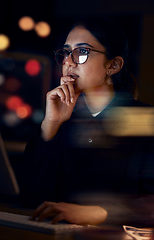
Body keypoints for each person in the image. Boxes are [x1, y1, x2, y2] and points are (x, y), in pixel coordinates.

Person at [22, 17, 154, 227]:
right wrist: (50, 125)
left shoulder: (144, 120)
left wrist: (99, 213)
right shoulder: (63, 120)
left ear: (113, 65)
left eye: (82, 52)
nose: (68, 61)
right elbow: (31, 198)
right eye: (66, 52)